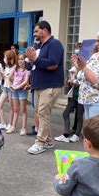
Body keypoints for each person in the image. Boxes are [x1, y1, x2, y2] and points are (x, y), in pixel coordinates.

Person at [25, 21, 64, 155]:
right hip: (38, 85)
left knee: (42, 113)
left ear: (44, 30)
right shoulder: (37, 45)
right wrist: (29, 61)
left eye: (36, 31)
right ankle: (48, 140)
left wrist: (34, 60)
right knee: (40, 114)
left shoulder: (55, 44)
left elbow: (53, 64)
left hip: (50, 85)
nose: (34, 34)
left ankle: (40, 142)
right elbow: (32, 66)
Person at [8, 53, 30, 135]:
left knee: (23, 110)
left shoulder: (27, 70)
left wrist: (17, 87)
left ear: (25, 60)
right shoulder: (15, 68)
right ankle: (13, 126)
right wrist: (10, 85)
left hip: (22, 91)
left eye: (22, 59)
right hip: (14, 90)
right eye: (19, 59)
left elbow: (25, 81)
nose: (20, 61)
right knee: (16, 109)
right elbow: (9, 77)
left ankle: (23, 128)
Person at [0, 50, 17, 130]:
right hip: (5, 87)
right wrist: (3, 74)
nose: (4, 59)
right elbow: (6, 77)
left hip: (11, 88)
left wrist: (5, 74)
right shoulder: (7, 66)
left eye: (5, 57)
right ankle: (3, 123)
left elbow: (13, 79)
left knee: (11, 107)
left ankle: (10, 124)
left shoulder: (15, 67)